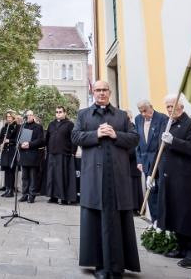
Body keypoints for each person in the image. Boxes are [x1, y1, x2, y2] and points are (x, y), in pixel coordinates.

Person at [72, 80, 141, 278]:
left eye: (104, 90)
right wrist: (96, 133)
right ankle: (100, 266)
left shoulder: (121, 115)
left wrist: (115, 134)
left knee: (117, 221)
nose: (101, 93)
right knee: (96, 220)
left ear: (109, 92)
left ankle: (117, 266)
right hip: (94, 177)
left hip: (117, 178)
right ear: (93, 92)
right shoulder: (83, 114)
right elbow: (75, 137)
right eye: (98, 90)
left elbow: (135, 138)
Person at [157, 94, 191, 269]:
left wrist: (174, 141)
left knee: (187, 214)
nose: (170, 109)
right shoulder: (166, 124)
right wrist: (152, 175)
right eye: (167, 107)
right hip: (168, 177)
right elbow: (160, 151)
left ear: (181, 107)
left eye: (172, 106)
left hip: (184, 178)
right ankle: (182, 248)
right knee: (175, 213)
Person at [135, 100, 168, 222]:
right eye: (141, 111)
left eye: (145, 111)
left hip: (158, 161)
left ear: (151, 107)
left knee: (160, 191)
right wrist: (139, 160)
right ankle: (154, 221)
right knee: (150, 191)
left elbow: (161, 143)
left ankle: (162, 222)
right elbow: (137, 141)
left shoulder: (162, 118)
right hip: (145, 161)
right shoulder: (138, 119)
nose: (143, 114)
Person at [45, 106, 77, 205]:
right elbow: (47, 138)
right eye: (57, 112)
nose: (58, 113)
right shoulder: (51, 124)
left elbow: (73, 139)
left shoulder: (70, 124)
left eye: (60, 112)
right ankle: (53, 197)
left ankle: (64, 198)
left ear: (65, 113)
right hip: (52, 154)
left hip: (64, 154)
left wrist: (73, 152)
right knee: (52, 177)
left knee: (62, 177)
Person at [18, 110, 45, 203]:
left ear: (33, 116)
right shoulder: (23, 126)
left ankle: (31, 195)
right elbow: (18, 139)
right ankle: (24, 195)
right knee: (24, 177)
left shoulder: (38, 127)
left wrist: (29, 144)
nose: (28, 116)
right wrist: (20, 145)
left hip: (33, 155)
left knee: (33, 177)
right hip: (24, 155)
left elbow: (40, 140)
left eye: (30, 115)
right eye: (27, 115)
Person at [0, 111, 20, 197]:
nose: (8, 119)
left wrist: (9, 140)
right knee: (6, 171)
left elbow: (17, 139)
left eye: (10, 117)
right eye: (7, 117)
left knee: (11, 171)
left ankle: (11, 190)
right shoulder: (4, 128)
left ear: (13, 118)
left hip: (12, 151)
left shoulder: (17, 127)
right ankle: (7, 189)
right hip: (5, 151)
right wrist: (1, 143)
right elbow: (0, 138)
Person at [127, 112, 144, 215]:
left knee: (134, 187)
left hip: (133, 163)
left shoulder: (134, 129)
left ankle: (136, 208)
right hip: (128, 163)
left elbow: (135, 147)